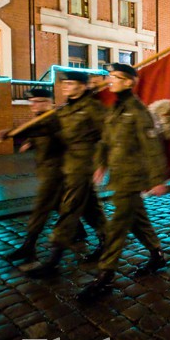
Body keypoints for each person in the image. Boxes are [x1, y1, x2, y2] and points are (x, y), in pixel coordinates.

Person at [79, 63, 169, 300]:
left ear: (129, 82)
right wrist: (101, 163)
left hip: (132, 178)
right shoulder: (115, 109)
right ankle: (157, 254)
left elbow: (151, 146)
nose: (110, 80)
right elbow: (105, 142)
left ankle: (105, 276)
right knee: (137, 220)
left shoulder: (138, 111)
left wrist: (157, 179)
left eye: (115, 77)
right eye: (109, 76)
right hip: (118, 176)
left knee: (117, 227)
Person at [26, 71, 107, 278]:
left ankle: (53, 261)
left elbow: (107, 136)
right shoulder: (65, 110)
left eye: (70, 83)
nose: (64, 87)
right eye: (64, 83)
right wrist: (12, 134)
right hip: (68, 166)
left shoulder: (92, 108)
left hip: (82, 167)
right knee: (90, 209)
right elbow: (48, 128)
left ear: (82, 86)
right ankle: (108, 241)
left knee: (69, 209)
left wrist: (101, 163)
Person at [1, 88, 65, 263]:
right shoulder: (40, 118)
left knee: (41, 207)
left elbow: (41, 130)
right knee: (77, 208)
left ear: (50, 102)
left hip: (58, 171)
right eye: (32, 102)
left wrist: (12, 133)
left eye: (40, 101)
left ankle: (29, 245)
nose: (34, 105)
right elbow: (37, 133)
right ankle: (92, 233)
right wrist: (30, 143)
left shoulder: (53, 118)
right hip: (46, 169)